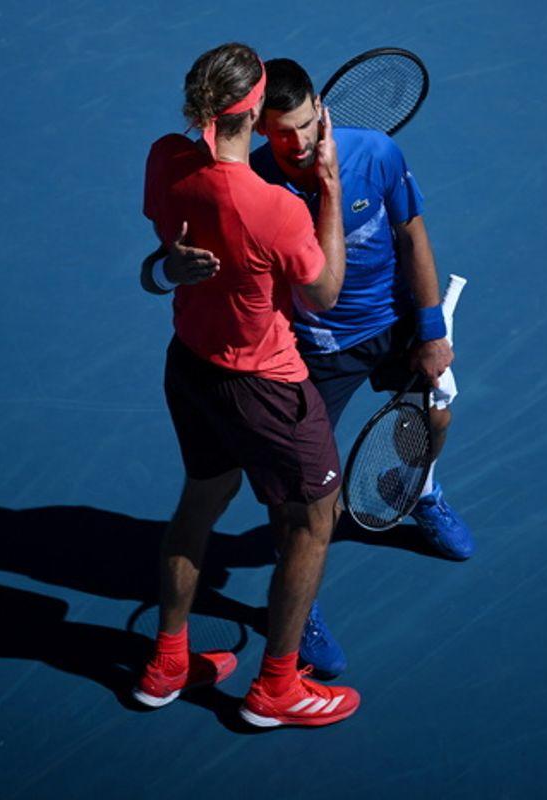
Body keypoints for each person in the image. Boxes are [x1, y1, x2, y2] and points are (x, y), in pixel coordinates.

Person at [146, 58, 475, 679]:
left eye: (303, 125)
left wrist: (430, 329)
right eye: (279, 132)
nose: (295, 143)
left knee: (435, 414)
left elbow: (413, 237)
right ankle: (297, 606)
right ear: (258, 129)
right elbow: (316, 290)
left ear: (323, 108)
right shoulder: (258, 184)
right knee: (298, 501)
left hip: (394, 321)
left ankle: (423, 494)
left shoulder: (376, 153)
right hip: (317, 350)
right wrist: (166, 267)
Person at [134, 43, 360, 728]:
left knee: (201, 498)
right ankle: (277, 689)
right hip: (264, 386)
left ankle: (167, 662)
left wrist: (167, 272)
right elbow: (323, 291)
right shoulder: (273, 209)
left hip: (190, 366)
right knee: (314, 519)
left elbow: (162, 258)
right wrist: (329, 190)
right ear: (256, 110)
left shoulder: (165, 161)